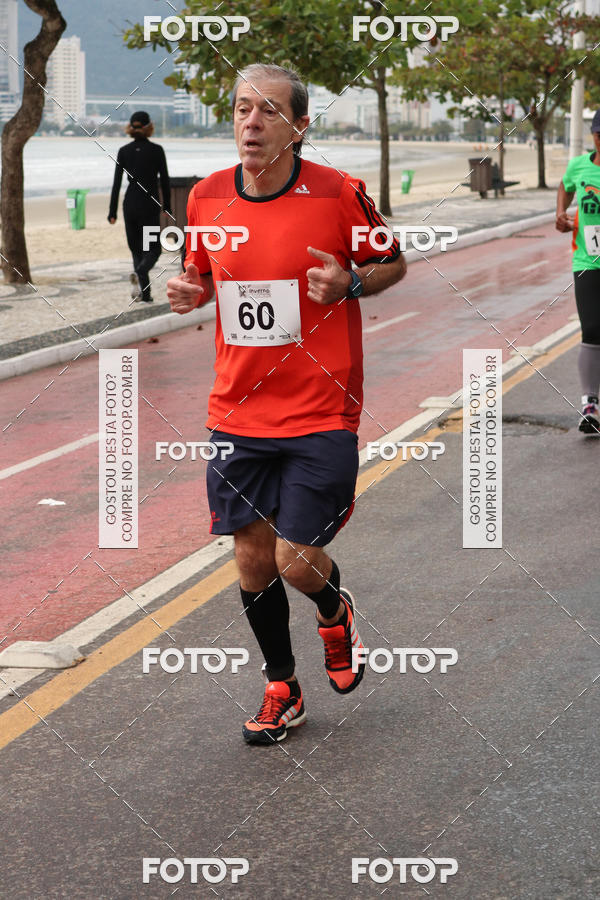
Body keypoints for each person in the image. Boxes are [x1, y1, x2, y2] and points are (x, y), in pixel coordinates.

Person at [166, 63, 406, 744]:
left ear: (299, 126)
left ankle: (334, 610)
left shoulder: (338, 194)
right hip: (237, 409)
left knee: (293, 559)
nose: (252, 122)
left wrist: (352, 282)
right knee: (249, 559)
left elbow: (394, 260)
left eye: (270, 111)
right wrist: (191, 291)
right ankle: (282, 686)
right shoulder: (209, 197)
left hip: (322, 408)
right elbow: (202, 274)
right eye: (243, 109)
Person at [556, 110, 600, 434]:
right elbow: (564, 185)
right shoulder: (580, 166)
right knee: (592, 328)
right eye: (598, 134)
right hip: (587, 261)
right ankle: (590, 404)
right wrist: (560, 212)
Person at [108, 111, 171, 303]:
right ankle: (141, 271)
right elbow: (165, 180)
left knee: (136, 249)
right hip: (149, 204)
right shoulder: (157, 150)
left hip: (130, 204)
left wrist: (112, 212)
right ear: (149, 127)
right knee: (153, 249)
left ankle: (145, 294)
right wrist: (166, 205)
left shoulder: (124, 151)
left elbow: (117, 183)